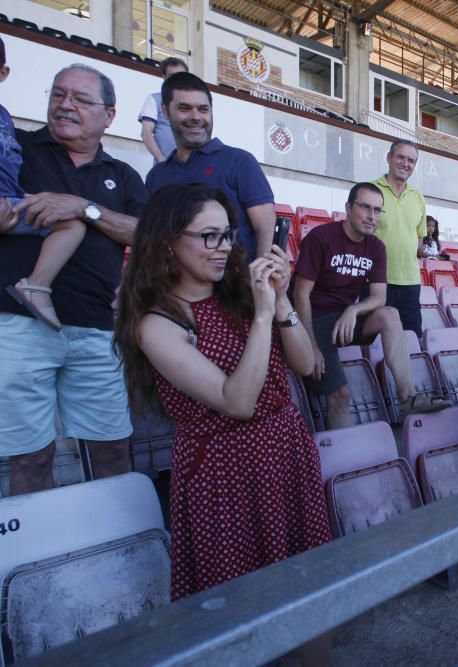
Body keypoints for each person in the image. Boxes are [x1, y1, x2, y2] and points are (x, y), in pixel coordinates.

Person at [113, 183, 333, 666]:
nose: (223, 248)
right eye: (208, 236)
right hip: (225, 474)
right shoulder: (158, 323)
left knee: (309, 582)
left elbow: (302, 363)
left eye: (226, 235)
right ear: (169, 240)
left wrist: (281, 303)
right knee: (239, 603)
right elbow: (237, 402)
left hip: (285, 450)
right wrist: (260, 316)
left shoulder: (239, 293)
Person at [0, 64, 147, 496]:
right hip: (19, 324)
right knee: (29, 457)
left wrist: (84, 207)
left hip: (96, 328)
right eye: (58, 94)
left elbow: (149, 234)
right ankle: (38, 560)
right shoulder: (18, 148)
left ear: (109, 115)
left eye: (81, 99)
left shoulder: (122, 175)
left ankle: (118, 549)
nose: (66, 105)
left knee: (113, 450)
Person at [293, 182, 450, 428]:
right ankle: (345, 465)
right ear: (348, 207)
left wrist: (354, 309)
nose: (371, 216)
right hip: (312, 320)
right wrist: (309, 345)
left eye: (377, 210)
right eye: (365, 207)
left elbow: (379, 297)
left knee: (389, 314)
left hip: (344, 319)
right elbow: (300, 295)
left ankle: (407, 397)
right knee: (340, 395)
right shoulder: (321, 238)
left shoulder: (376, 247)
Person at [146, 72, 275, 258]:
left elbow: (265, 226)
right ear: (165, 111)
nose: (196, 117)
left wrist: (259, 277)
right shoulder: (157, 176)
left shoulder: (239, 161)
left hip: (233, 284)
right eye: (185, 108)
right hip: (173, 284)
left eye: (203, 109)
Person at [0, 39, 83, 331]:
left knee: (70, 222)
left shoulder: (5, 118)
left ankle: (36, 286)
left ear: (3, 73)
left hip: (11, 201)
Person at [374, 139, 426, 334]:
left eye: (411, 160)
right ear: (389, 158)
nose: (406, 164)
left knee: (411, 339)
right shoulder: (370, 190)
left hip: (410, 283)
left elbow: (419, 239)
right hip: (377, 281)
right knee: (375, 342)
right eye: (401, 157)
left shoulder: (418, 197)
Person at [137, 57, 188, 163]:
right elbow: (146, 133)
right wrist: (161, 160)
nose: (176, 79)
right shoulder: (155, 99)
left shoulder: (193, 103)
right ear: (164, 77)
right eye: (171, 76)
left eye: (180, 76)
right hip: (166, 168)